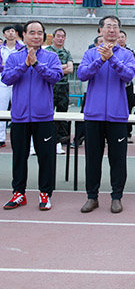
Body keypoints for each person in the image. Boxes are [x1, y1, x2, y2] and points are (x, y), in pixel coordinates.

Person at [77, 16, 135, 214]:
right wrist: (101, 60)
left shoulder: (127, 55)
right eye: (108, 26)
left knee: (118, 159)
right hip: (93, 114)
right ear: (100, 30)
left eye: (115, 27)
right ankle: (92, 197)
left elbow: (128, 75)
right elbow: (82, 75)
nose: (112, 30)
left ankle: (116, 196)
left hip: (117, 115)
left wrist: (112, 59)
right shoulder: (90, 53)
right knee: (92, 158)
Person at [1, 21, 62, 211]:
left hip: (43, 117)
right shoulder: (14, 57)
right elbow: (6, 78)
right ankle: (19, 193)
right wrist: (24, 65)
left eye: (40, 33)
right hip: (20, 116)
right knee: (19, 157)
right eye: (32, 32)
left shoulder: (51, 57)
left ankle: (45, 194)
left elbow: (56, 77)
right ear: (24, 35)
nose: (36, 36)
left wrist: (36, 64)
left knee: (46, 158)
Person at [45, 28, 74, 155]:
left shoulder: (67, 52)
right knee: (48, 113)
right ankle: (49, 137)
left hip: (63, 86)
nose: (60, 38)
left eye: (63, 36)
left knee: (63, 113)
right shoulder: (47, 51)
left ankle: (62, 139)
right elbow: (45, 68)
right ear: (53, 37)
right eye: (58, 36)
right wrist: (62, 67)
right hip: (50, 86)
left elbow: (71, 69)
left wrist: (55, 68)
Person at [0, 24, 24, 148]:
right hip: (3, 81)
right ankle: (1, 137)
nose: (10, 33)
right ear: (4, 34)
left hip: (18, 80)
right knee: (2, 109)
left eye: (12, 31)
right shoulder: (1, 49)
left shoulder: (22, 48)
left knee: (18, 108)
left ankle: (19, 137)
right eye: (8, 31)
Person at [118, 30, 135, 143]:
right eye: (119, 37)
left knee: (128, 109)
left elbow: (131, 68)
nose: (121, 39)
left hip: (127, 84)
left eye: (122, 37)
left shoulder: (130, 52)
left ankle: (127, 133)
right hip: (116, 85)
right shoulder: (111, 51)